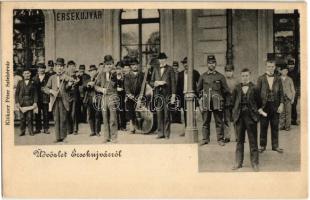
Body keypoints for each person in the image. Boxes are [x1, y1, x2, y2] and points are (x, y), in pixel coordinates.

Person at [197, 55, 230, 146]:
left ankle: (220, 139)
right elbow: (198, 89)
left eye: (213, 63)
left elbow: (226, 91)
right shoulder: (203, 76)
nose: (211, 65)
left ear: (215, 64)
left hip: (217, 103)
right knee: (205, 121)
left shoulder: (220, 76)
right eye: (209, 63)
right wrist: (201, 99)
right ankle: (205, 139)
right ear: (207, 64)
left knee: (219, 121)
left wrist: (223, 101)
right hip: (206, 103)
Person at [232, 68, 260, 172]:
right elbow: (233, 102)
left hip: (251, 117)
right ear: (241, 76)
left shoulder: (255, 88)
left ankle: (255, 163)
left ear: (250, 76)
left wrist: (256, 116)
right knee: (239, 141)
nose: (245, 78)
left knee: (253, 141)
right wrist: (234, 116)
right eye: (243, 76)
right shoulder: (236, 88)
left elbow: (259, 103)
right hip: (239, 117)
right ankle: (238, 163)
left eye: (247, 76)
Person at [257, 53, 284, 154]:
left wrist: (281, 104)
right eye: (269, 66)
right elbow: (257, 94)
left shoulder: (278, 79)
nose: (271, 68)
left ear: (275, 67)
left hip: (275, 106)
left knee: (275, 126)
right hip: (264, 106)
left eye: (272, 66)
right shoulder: (261, 79)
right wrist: (259, 108)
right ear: (266, 66)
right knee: (263, 126)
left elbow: (281, 93)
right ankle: (262, 146)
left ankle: (275, 146)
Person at [43, 58, 73, 143]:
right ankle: (57, 137)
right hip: (54, 100)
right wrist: (51, 91)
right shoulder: (52, 77)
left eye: (61, 66)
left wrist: (70, 84)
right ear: (55, 67)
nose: (59, 68)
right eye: (58, 66)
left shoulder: (66, 77)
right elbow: (45, 88)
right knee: (56, 119)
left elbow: (67, 89)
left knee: (63, 118)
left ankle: (63, 137)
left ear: (63, 68)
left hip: (63, 100)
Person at [150, 52, 176, 139]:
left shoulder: (170, 69)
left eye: (163, 59)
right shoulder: (155, 69)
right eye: (160, 59)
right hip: (158, 95)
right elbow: (151, 81)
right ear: (158, 60)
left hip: (167, 94)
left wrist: (173, 95)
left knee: (167, 114)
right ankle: (160, 133)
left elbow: (173, 82)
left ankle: (167, 134)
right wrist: (155, 83)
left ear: (165, 59)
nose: (161, 60)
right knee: (159, 114)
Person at [95, 55, 119, 143]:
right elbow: (96, 86)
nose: (109, 66)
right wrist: (101, 89)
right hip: (104, 97)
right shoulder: (101, 74)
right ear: (104, 65)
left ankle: (114, 137)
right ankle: (106, 137)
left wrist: (116, 77)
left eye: (111, 64)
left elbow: (118, 84)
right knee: (104, 117)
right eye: (107, 64)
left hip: (112, 96)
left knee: (113, 118)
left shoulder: (115, 75)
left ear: (113, 65)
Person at [176, 57, 200, 136]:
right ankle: (186, 129)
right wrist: (178, 98)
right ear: (183, 64)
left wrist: (197, 94)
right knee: (185, 113)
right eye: (184, 63)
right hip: (183, 96)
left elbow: (199, 85)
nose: (186, 64)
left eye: (187, 63)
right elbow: (178, 87)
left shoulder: (195, 73)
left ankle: (194, 129)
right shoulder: (180, 74)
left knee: (192, 113)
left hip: (192, 96)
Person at [15, 68, 38, 136]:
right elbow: (16, 93)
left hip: (30, 102)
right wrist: (17, 102)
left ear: (30, 74)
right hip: (21, 102)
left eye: (28, 73)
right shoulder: (20, 82)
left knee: (30, 117)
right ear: (23, 74)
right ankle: (22, 131)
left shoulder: (33, 82)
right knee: (22, 118)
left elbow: (35, 93)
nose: (26, 75)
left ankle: (31, 131)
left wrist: (35, 102)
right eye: (25, 73)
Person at [124, 58, 144, 133]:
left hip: (139, 94)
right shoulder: (127, 76)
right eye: (133, 65)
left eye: (136, 65)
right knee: (130, 108)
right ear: (131, 67)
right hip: (130, 95)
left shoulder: (141, 75)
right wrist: (129, 94)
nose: (134, 66)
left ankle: (140, 125)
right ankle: (132, 126)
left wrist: (140, 95)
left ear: (138, 65)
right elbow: (126, 86)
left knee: (140, 109)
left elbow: (143, 85)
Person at [83, 65, 101, 136]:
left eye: (93, 71)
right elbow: (83, 87)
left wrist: (95, 84)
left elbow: (101, 86)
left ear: (96, 71)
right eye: (91, 71)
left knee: (97, 115)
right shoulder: (87, 80)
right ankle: (92, 131)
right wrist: (88, 85)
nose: (92, 72)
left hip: (97, 99)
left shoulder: (99, 79)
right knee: (90, 115)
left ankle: (97, 131)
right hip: (89, 99)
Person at [33, 63, 50, 134]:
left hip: (45, 98)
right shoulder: (34, 78)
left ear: (45, 69)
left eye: (43, 68)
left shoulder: (48, 77)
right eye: (40, 68)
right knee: (37, 113)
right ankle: (38, 128)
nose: (42, 70)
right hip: (37, 98)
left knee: (46, 114)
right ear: (38, 69)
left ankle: (46, 128)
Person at [223, 64, 238, 142]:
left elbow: (239, 92)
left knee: (236, 120)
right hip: (226, 103)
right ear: (225, 72)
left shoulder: (236, 81)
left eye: (230, 71)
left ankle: (238, 137)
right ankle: (227, 137)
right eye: (227, 71)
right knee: (226, 120)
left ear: (233, 71)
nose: (229, 73)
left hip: (235, 103)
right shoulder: (223, 80)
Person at [279, 64, 296, 131]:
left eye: (286, 71)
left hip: (288, 98)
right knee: (281, 112)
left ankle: (287, 126)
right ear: (281, 71)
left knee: (288, 112)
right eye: (283, 71)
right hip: (281, 99)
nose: (285, 72)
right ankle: (282, 125)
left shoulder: (290, 79)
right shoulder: (278, 79)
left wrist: (293, 98)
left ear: (287, 72)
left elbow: (293, 90)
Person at [66, 60, 80, 135]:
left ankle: (75, 129)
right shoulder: (65, 76)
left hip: (74, 96)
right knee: (68, 112)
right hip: (67, 96)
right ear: (67, 67)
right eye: (70, 66)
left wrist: (76, 81)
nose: (72, 68)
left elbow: (79, 84)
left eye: (73, 66)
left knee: (74, 113)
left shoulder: (76, 76)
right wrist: (69, 84)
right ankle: (69, 129)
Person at [287, 59, 300, 125]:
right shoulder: (286, 73)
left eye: (292, 65)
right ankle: (288, 120)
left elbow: (298, 83)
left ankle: (294, 120)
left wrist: (297, 92)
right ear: (288, 65)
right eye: (290, 65)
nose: (291, 66)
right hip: (287, 91)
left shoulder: (297, 73)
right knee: (287, 106)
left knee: (294, 106)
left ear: (294, 65)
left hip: (294, 91)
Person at [115, 62, 127, 131]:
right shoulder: (113, 77)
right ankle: (117, 126)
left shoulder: (124, 77)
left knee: (122, 110)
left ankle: (123, 126)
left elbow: (126, 86)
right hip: (115, 94)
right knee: (116, 110)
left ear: (122, 69)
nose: (118, 70)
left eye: (120, 69)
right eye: (117, 69)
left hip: (122, 94)